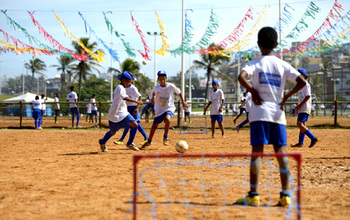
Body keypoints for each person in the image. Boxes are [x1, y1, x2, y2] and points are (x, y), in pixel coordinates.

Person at [234, 27, 307, 206]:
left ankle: (253, 196)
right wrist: (286, 97)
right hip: (277, 114)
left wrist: (252, 91)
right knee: (281, 153)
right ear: (276, 45)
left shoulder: (255, 63)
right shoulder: (282, 64)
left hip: (259, 114)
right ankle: (285, 196)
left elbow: (241, 77)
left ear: (258, 45)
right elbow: (302, 82)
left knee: (257, 154)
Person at [141, 70, 188, 148]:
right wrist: (153, 96)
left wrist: (183, 102)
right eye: (160, 77)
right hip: (159, 110)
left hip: (169, 107)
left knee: (168, 119)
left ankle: (165, 137)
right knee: (154, 126)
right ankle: (149, 141)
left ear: (166, 78)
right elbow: (151, 101)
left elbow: (179, 92)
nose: (162, 78)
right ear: (158, 79)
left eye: (163, 77)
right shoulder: (156, 88)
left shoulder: (171, 86)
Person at [98, 71, 143, 152]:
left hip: (123, 112)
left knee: (135, 124)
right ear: (123, 80)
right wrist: (137, 102)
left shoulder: (123, 88)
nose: (130, 83)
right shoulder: (120, 87)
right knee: (112, 132)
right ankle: (102, 142)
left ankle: (130, 143)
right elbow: (124, 97)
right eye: (129, 81)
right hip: (115, 114)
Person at [291, 69, 318, 148]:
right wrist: (298, 106)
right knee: (302, 125)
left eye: (300, 74)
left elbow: (308, 96)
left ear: (305, 76)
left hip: (305, 107)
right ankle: (300, 142)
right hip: (302, 107)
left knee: (299, 124)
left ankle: (313, 138)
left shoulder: (305, 84)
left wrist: (299, 106)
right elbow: (301, 97)